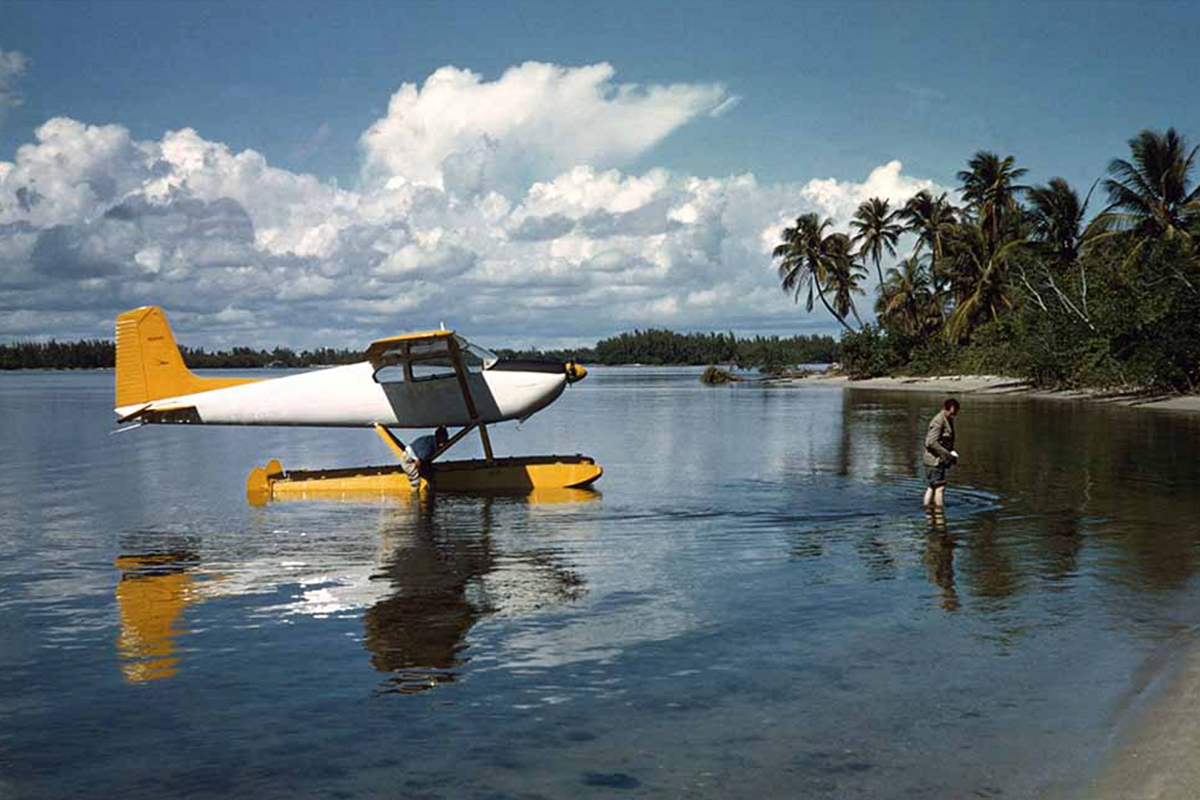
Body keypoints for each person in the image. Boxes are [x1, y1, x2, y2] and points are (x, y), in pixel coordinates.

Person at [922, 398, 960, 507]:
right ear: (948, 409)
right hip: (934, 460)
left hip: (938, 460)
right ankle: (939, 514)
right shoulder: (938, 420)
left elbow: (946, 441)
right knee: (939, 487)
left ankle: (928, 511)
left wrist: (951, 452)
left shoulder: (948, 419)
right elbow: (931, 442)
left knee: (932, 486)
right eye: (953, 411)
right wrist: (948, 455)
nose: (954, 414)